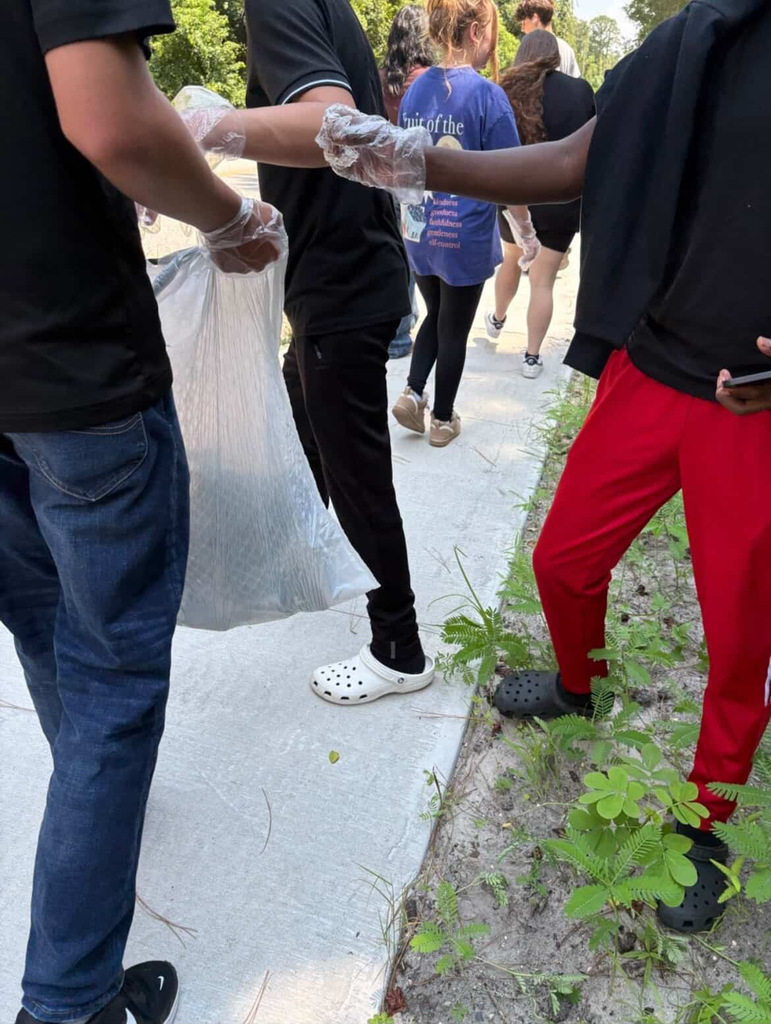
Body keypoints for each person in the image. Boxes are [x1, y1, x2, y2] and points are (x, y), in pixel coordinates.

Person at [316, 0, 771, 933]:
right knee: (561, 561)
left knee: (740, 641)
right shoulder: (704, 34)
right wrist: (414, 159)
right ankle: (577, 683)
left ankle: (705, 823)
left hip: (754, 411)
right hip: (653, 362)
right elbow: (577, 160)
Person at [3, 3, 282, 1024]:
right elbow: (111, 121)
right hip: (72, 372)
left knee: (44, 623)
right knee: (115, 682)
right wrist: (227, 217)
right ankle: (69, 1004)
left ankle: (99, 804)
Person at [186, 0, 435, 703]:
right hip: (341, 275)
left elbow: (330, 123)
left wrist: (196, 130)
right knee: (303, 435)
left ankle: (399, 647)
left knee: (357, 473)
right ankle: (294, 563)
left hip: (342, 283)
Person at [390, 0, 537, 448]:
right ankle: (443, 419)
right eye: (491, 30)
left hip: (418, 228)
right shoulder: (488, 96)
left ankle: (413, 392)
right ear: (476, 32)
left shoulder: (415, 90)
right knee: (455, 325)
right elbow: (510, 177)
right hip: (462, 233)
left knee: (438, 313)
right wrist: (526, 233)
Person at [485, 31, 594, 378]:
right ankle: (531, 357)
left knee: (511, 261)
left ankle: (498, 320)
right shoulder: (580, 91)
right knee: (543, 281)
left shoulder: (504, 88)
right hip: (562, 199)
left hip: (516, 196)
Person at [380, 5, 435, 359]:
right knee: (413, 252)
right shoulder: (430, 78)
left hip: (382, 173)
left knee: (393, 252)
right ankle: (403, 332)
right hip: (417, 178)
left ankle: (395, 328)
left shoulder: (381, 74)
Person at [516, 0, 580, 77]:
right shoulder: (567, 49)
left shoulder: (531, 47)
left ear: (535, 18)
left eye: (524, 22)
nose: (522, 28)